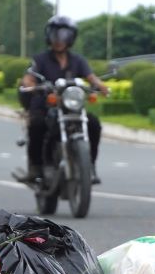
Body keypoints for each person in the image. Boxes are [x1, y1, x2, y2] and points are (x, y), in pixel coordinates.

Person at [16, 15, 109, 184]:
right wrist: (30, 85)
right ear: (49, 36)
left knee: (93, 124)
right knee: (37, 125)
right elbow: (29, 77)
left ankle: (90, 166)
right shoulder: (40, 59)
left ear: (71, 37)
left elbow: (91, 77)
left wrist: (100, 86)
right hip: (44, 106)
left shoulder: (77, 60)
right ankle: (36, 167)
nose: (59, 39)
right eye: (55, 34)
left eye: (64, 35)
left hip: (70, 108)